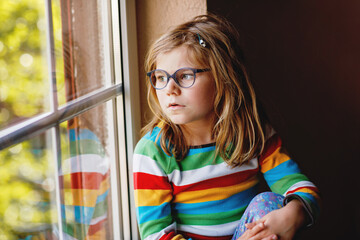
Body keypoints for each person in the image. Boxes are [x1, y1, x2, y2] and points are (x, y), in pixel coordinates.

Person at [133, 14, 320, 240]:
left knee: (268, 203)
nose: (170, 89)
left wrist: (294, 214)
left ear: (222, 79)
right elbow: (156, 235)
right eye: (161, 78)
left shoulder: (252, 134)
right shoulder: (153, 152)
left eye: (185, 76)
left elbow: (301, 188)